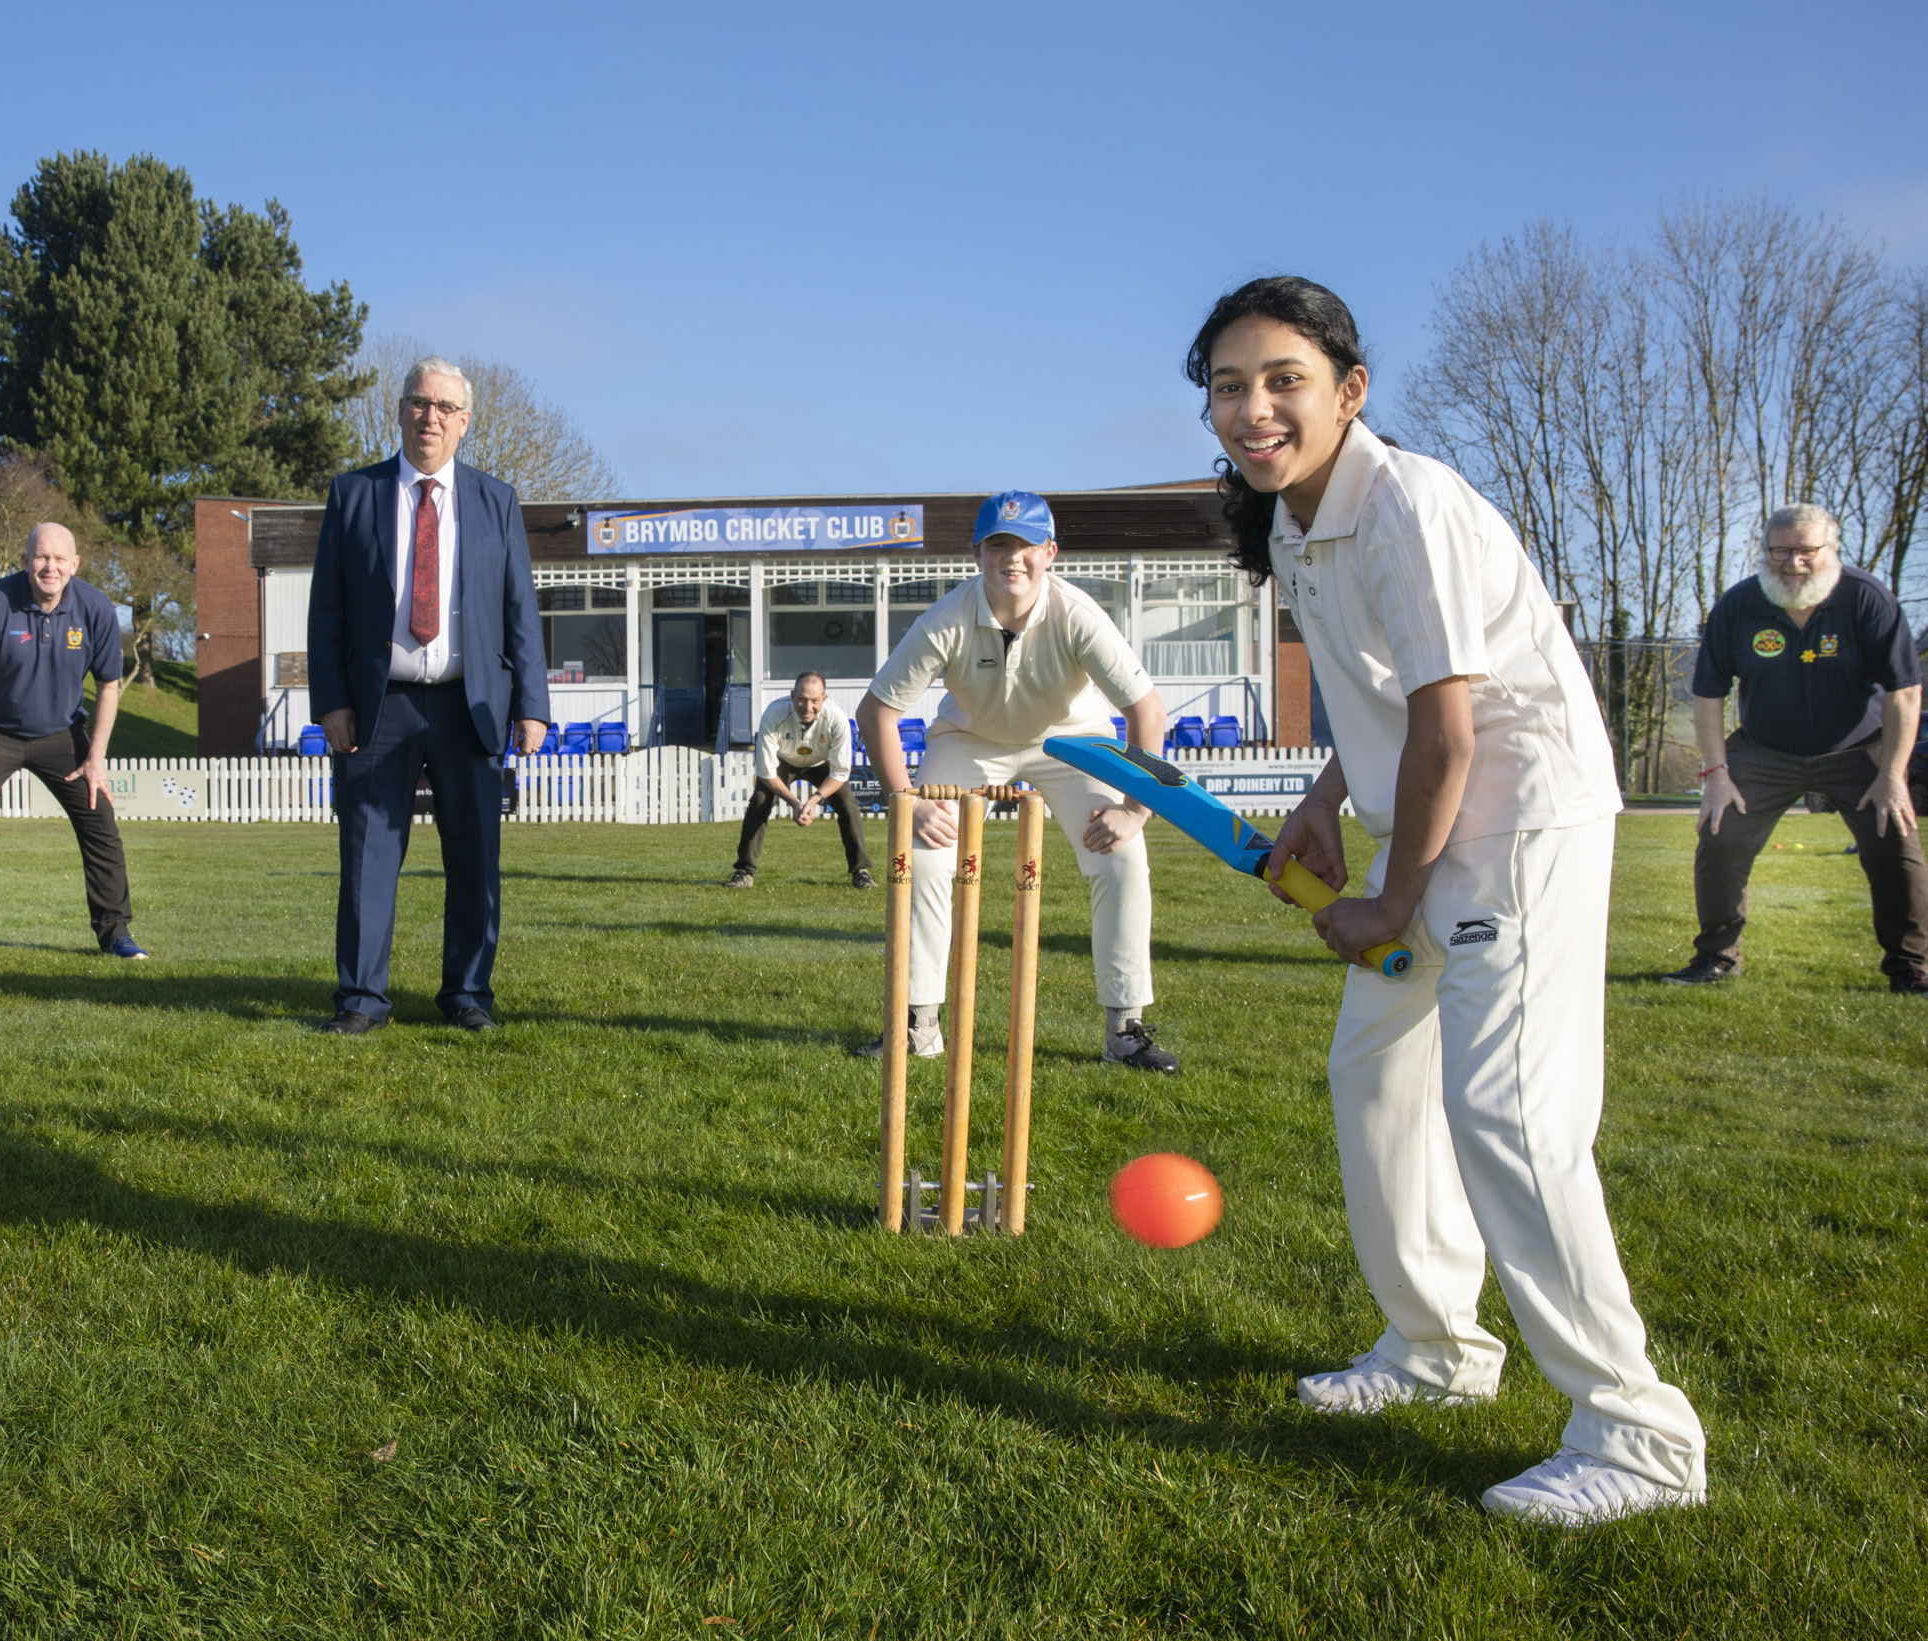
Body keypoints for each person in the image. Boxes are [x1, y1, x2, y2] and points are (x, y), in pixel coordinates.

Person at [1199, 275, 1706, 1524]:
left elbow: (1450, 725)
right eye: (1227, 387)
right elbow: (1379, 697)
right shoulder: (1293, 521)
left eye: (1282, 382)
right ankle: (1433, 1350)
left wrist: (1391, 900)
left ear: (1347, 391)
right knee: (1375, 1077)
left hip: (1515, 824)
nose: (1252, 409)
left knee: (1507, 1118)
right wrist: (1324, 796)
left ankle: (1637, 1434)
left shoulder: (1407, 505)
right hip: (1426, 815)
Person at [852, 490, 1177, 1072]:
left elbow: (1147, 713)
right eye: (999, 544)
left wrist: (1134, 810)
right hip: (971, 743)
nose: (1013, 558)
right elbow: (876, 712)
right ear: (978, 554)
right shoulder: (945, 620)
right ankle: (918, 1025)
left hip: (1073, 742)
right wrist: (908, 802)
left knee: (1122, 857)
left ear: (1049, 551)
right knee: (922, 856)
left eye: (1026, 544)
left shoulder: (1077, 614)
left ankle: (1124, 1029)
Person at [307, 356, 550, 1034]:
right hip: (375, 706)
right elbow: (325, 608)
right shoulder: (353, 494)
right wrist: (330, 700)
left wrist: (531, 701)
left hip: (467, 706)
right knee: (366, 858)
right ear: (401, 409)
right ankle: (361, 999)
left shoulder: (495, 500)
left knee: (473, 859)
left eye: (445, 407)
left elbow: (517, 609)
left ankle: (467, 994)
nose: (430, 417)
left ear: (465, 421)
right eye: (419, 402)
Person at [1662, 504, 1923, 992]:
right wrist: (1716, 776)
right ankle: (1715, 959)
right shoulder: (1738, 606)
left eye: (1807, 550)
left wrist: (1892, 775)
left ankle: (1910, 966)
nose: (1793, 562)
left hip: (1857, 750)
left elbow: (1904, 691)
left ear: (1831, 549)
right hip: (1764, 751)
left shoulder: (1867, 599)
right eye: (1780, 550)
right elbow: (1707, 695)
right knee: (1720, 836)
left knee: (1897, 842)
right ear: (1763, 551)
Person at [0, 523, 146, 963]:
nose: (51, 567)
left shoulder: (96, 608)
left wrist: (96, 757)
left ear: (74, 565)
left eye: (60, 559)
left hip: (61, 734)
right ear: (25, 561)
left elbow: (108, 685)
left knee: (100, 822)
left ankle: (115, 933)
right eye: (42, 557)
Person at [728, 672, 874, 890]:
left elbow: (840, 773)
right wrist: (796, 803)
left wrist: (813, 801)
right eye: (802, 700)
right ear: (792, 695)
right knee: (760, 800)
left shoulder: (837, 719)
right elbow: (767, 774)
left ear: (824, 699)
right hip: (783, 763)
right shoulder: (773, 715)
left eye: (815, 701)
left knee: (848, 804)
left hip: (821, 764)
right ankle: (744, 871)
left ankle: (861, 871)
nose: (808, 707)